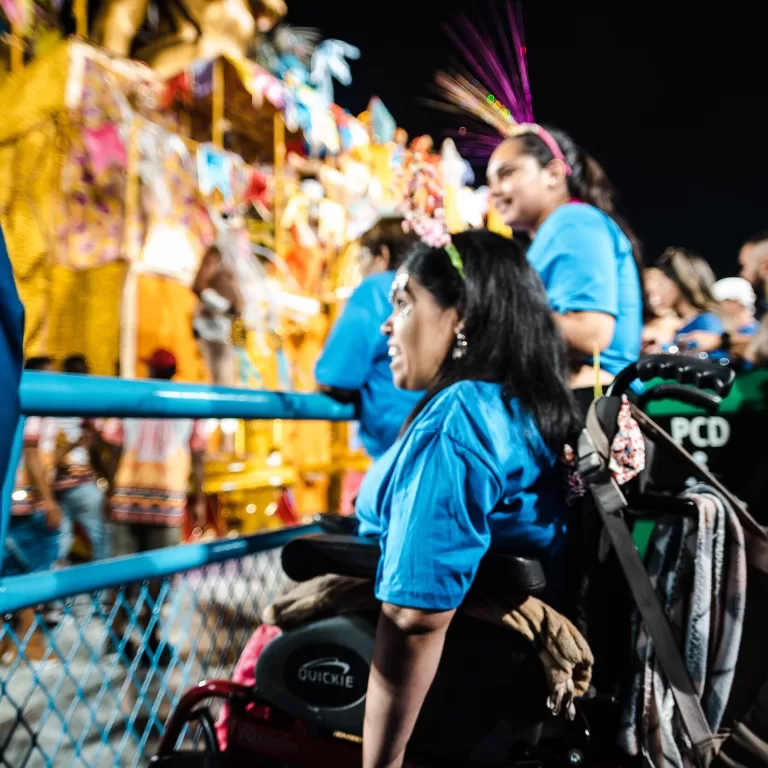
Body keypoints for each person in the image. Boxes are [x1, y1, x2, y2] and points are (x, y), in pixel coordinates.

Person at [354, 230, 580, 767]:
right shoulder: (525, 406)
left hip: (448, 699)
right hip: (499, 689)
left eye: (404, 303)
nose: (387, 325)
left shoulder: (462, 417)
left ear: (461, 315)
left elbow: (413, 616)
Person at [486, 126, 643, 405]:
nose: (494, 191)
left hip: (589, 401)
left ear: (554, 173)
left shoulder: (572, 221)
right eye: (490, 181)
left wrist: (491, 317)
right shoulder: (556, 230)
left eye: (506, 174)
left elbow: (590, 334)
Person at [101, 348, 207, 664]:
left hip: (127, 496)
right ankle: (151, 636)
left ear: (150, 371)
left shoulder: (132, 399)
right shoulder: (188, 402)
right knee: (159, 575)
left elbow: (111, 445)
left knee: (121, 572)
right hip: (168, 498)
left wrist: (111, 487)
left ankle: (117, 635)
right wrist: (199, 499)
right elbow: (198, 455)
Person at [314, 217, 423, 460]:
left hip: (398, 446)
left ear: (383, 255)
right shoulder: (437, 289)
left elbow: (334, 377)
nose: (360, 270)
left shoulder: (376, 289)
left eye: (361, 258)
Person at [1, 357, 61, 663]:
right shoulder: (35, 402)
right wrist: (49, 500)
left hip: (12, 498)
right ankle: (29, 643)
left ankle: (12, 644)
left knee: (12, 571)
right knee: (37, 570)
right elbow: (32, 452)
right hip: (29, 500)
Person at [53, 354, 110, 564]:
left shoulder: (51, 401)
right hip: (81, 481)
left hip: (55, 482)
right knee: (100, 539)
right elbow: (93, 446)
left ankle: (58, 584)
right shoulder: (85, 402)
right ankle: (103, 583)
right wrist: (107, 478)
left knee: (61, 542)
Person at [652, 247, 724, 354]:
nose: (658, 293)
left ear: (678, 282)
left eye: (661, 285)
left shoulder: (707, 320)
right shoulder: (678, 324)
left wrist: (664, 349)